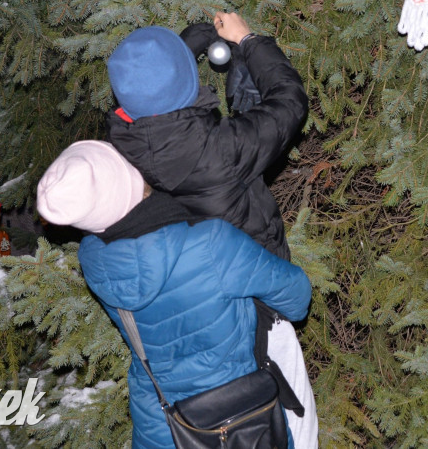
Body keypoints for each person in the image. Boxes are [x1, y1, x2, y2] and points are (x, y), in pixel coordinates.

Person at [105, 12, 319, 447]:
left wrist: (190, 44)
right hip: (258, 311)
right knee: (296, 423)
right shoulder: (220, 150)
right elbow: (288, 101)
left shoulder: (118, 151)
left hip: (193, 315)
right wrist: (250, 40)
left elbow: (155, 100)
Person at [36, 140, 311, 449]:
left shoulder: (95, 262)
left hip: (161, 426)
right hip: (243, 418)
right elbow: (297, 299)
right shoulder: (210, 243)